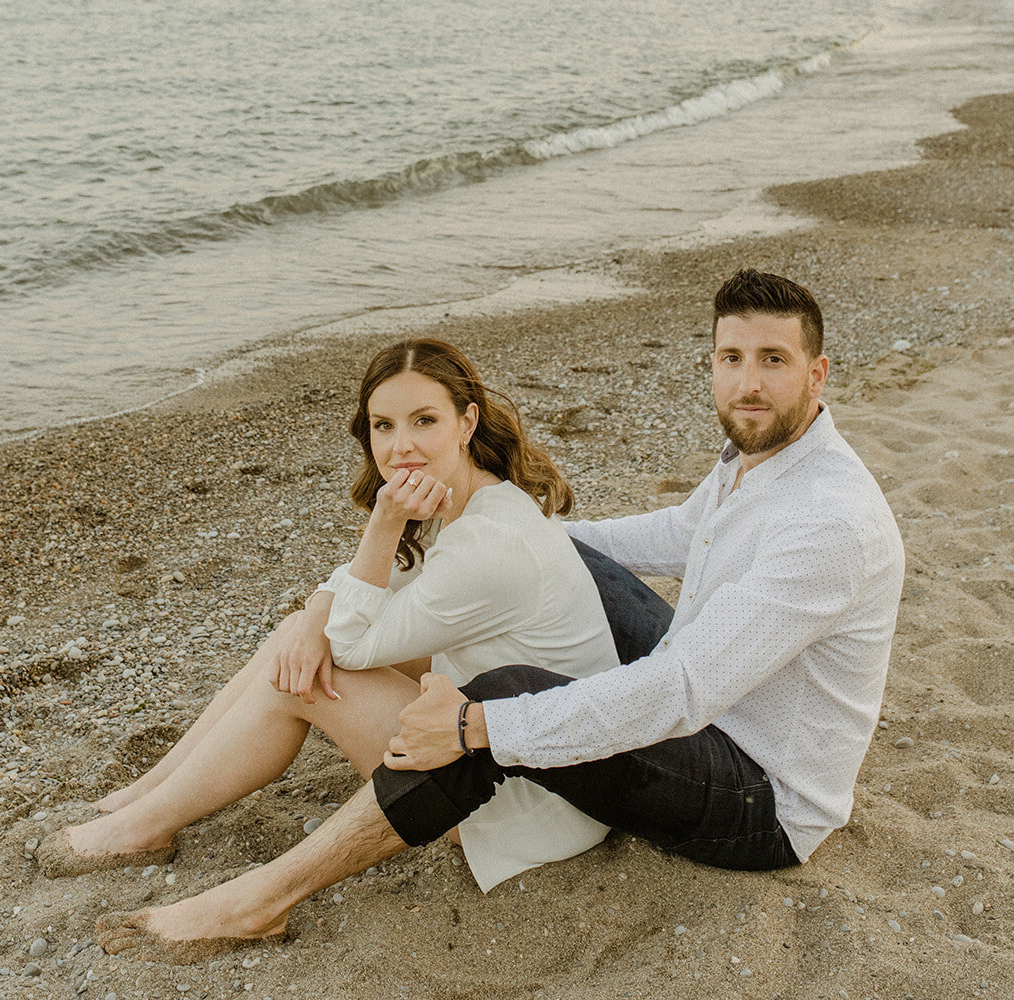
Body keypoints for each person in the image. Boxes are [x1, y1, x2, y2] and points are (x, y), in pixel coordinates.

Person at [96, 268, 905, 965]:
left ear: (817, 372)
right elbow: (675, 536)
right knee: (569, 562)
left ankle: (262, 898)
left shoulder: (825, 521)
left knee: (503, 693)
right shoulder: (755, 457)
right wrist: (521, 530)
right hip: (713, 693)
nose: (748, 383)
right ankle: (154, 801)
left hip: (758, 794)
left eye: (773, 361)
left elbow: (678, 693)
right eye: (731, 359)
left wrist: (477, 727)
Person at [37, 341, 619, 942]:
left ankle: (145, 825)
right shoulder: (472, 500)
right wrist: (316, 611)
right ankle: (153, 792)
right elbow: (350, 603)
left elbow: (351, 645)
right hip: (511, 746)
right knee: (301, 639)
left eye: (425, 421)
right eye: (383, 426)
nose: (401, 448)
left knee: (312, 673)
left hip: (531, 801)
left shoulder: (490, 545)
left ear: (466, 421)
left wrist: (383, 524)